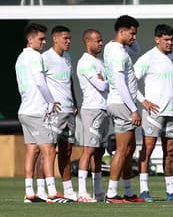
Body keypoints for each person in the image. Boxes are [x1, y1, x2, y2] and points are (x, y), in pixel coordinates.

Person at [135, 24, 173, 202]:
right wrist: (143, 100)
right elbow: (130, 81)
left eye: (171, 39)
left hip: (172, 112)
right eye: (166, 39)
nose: (170, 42)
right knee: (148, 149)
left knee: (170, 151)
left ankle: (171, 191)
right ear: (157, 39)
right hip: (154, 113)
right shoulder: (148, 58)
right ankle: (144, 190)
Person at [16, 23, 67, 203]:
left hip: (24, 110)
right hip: (36, 110)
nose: (44, 42)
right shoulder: (35, 57)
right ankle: (52, 191)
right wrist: (51, 101)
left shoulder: (20, 58)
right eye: (41, 39)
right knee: (49, 150)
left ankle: (30, 191)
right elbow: (39, 81)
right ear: (30, 39)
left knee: (32, 150)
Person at [104, 14, 150, 203]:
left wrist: (129, 40)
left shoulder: (113, 46)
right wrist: (133, 109)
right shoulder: (118, 53)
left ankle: (129, 192)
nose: (134, 38)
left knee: (129, 149)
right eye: (131, 34)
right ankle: (112, 194)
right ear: (121, 32)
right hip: (122, 104)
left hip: (122, 104)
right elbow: (120, 83)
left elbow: (136, 50)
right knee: (122, 150)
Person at [42, 25, 79, 201]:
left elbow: (69, 80)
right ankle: (43, 190)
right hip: (54, 112)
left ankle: (68, 189)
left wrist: (75, 101)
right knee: (48, 150)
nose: (68, 41)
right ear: (55, 39)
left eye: (69, 38)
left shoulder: (68, 57)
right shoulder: (45, 58)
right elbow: (38, 83)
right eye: (65, 38)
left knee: (67, 150)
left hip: (69, 110)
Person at [76, 29, 110, 202]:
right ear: (88, 42)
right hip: (92, 110)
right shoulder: (85, 62)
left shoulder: (100, 62)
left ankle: (97, 191)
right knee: (88, 150)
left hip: (103, 109)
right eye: (98, 41)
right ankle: (82, 192)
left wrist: (106, 80)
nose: (101, 43)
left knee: (99, 151)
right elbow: (102, 86)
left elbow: (105, 83)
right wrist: (109, 80)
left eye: (101, 40)